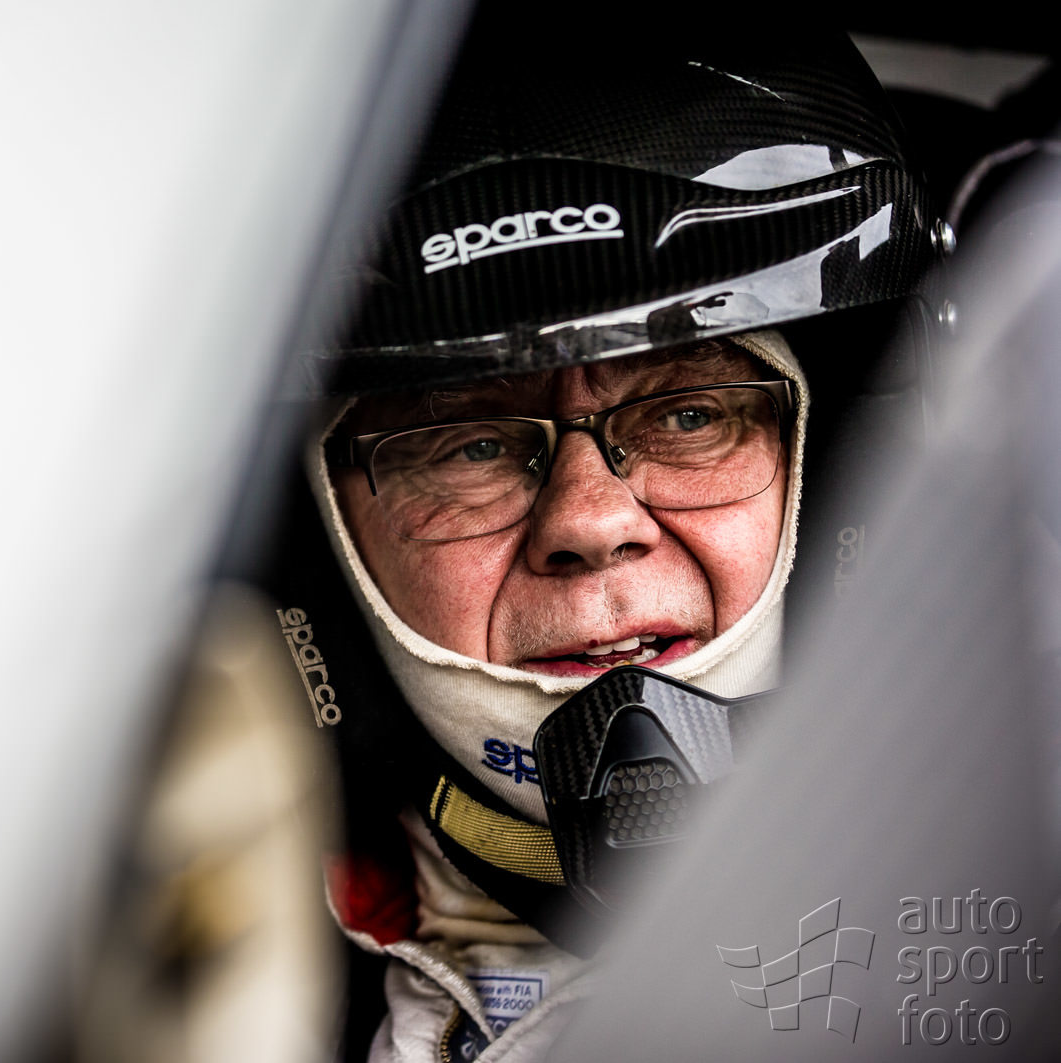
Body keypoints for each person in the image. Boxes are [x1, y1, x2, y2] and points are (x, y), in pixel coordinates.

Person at [263, 18, 940, 1063]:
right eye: (468, 447)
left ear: (834, 474)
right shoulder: (167, 969)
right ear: (320, 552)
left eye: (689, 416)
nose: (590, 522)